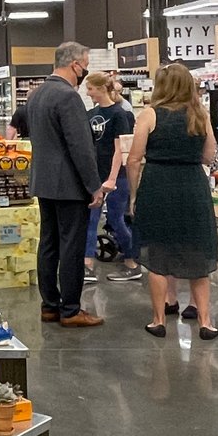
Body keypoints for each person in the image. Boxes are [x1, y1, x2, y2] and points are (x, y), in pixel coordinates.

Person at [128, 63, 218, 339]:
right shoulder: (200, 115)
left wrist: (134, 194)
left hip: (157, 185)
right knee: (198, 252)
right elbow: (209, 156)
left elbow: (133, 159)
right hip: (192, 186)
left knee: (158, 256)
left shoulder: (149, 115)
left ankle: (159, 320)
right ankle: (205, 321)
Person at [27, 43, 106, 327]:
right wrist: (94, 185)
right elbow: (81, 148)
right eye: (85, 64)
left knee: (48, 243)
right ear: (75, 65)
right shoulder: (68, 97)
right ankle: (71, 309)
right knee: (71, 246)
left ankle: (49, 305)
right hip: (69, 184)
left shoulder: (37, 95)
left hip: (43, 182)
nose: (85, 71)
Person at [82, 74, 143, 283]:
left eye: (90, 88)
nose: (88, 93)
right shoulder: (90, 114)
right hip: (96, 175)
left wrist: (112, 178)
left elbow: (120, 149)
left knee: (116, 220)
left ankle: (132, 263)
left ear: (101, 88)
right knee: (90, 219)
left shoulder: (120, 114)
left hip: (117, 176)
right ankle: (87, 266)